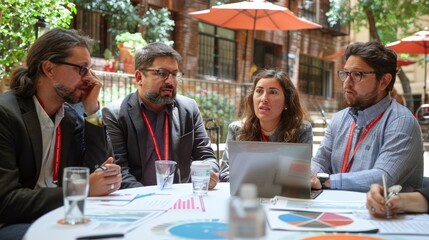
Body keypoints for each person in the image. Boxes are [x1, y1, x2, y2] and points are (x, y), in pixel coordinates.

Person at [0, 28, 122, 240]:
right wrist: (82, 189)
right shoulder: (6, 114)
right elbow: (6, 201)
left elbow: (96, 167)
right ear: (49, 68)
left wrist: (92, 109)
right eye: (82, 69)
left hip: (60, 215)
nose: (90, 79)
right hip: (13, 223)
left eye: (89, 70)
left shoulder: (70, 118)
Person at [102, 42, 220, 189]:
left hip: (181, 200)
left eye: (174, 74)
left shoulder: (188, 109)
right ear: (139, 77)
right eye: (162, 73)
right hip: (138, 202)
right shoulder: (115, 114)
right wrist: (149, 199)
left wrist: (209, 171)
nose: (171, 81)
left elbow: (207, 157)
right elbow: (120, 170)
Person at [311, 41, 423, 192]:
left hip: (382, 213)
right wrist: (309, 175)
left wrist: (325, 181)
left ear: (384, 81)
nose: (346, 83)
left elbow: (382, 178)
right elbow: (319, 161)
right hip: (336, 209)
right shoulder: (339, 119)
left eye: (357, 74)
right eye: (345, 74)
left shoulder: (402, 122)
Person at [220, 69, 313, 182]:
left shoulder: (301, 130)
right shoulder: (237, 129)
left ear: (286, 102)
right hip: (247, 196)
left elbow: (301, 177)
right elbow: (225, 174)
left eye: (273, 92)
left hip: (284, 197)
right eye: (259, 91)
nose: (264, 99)